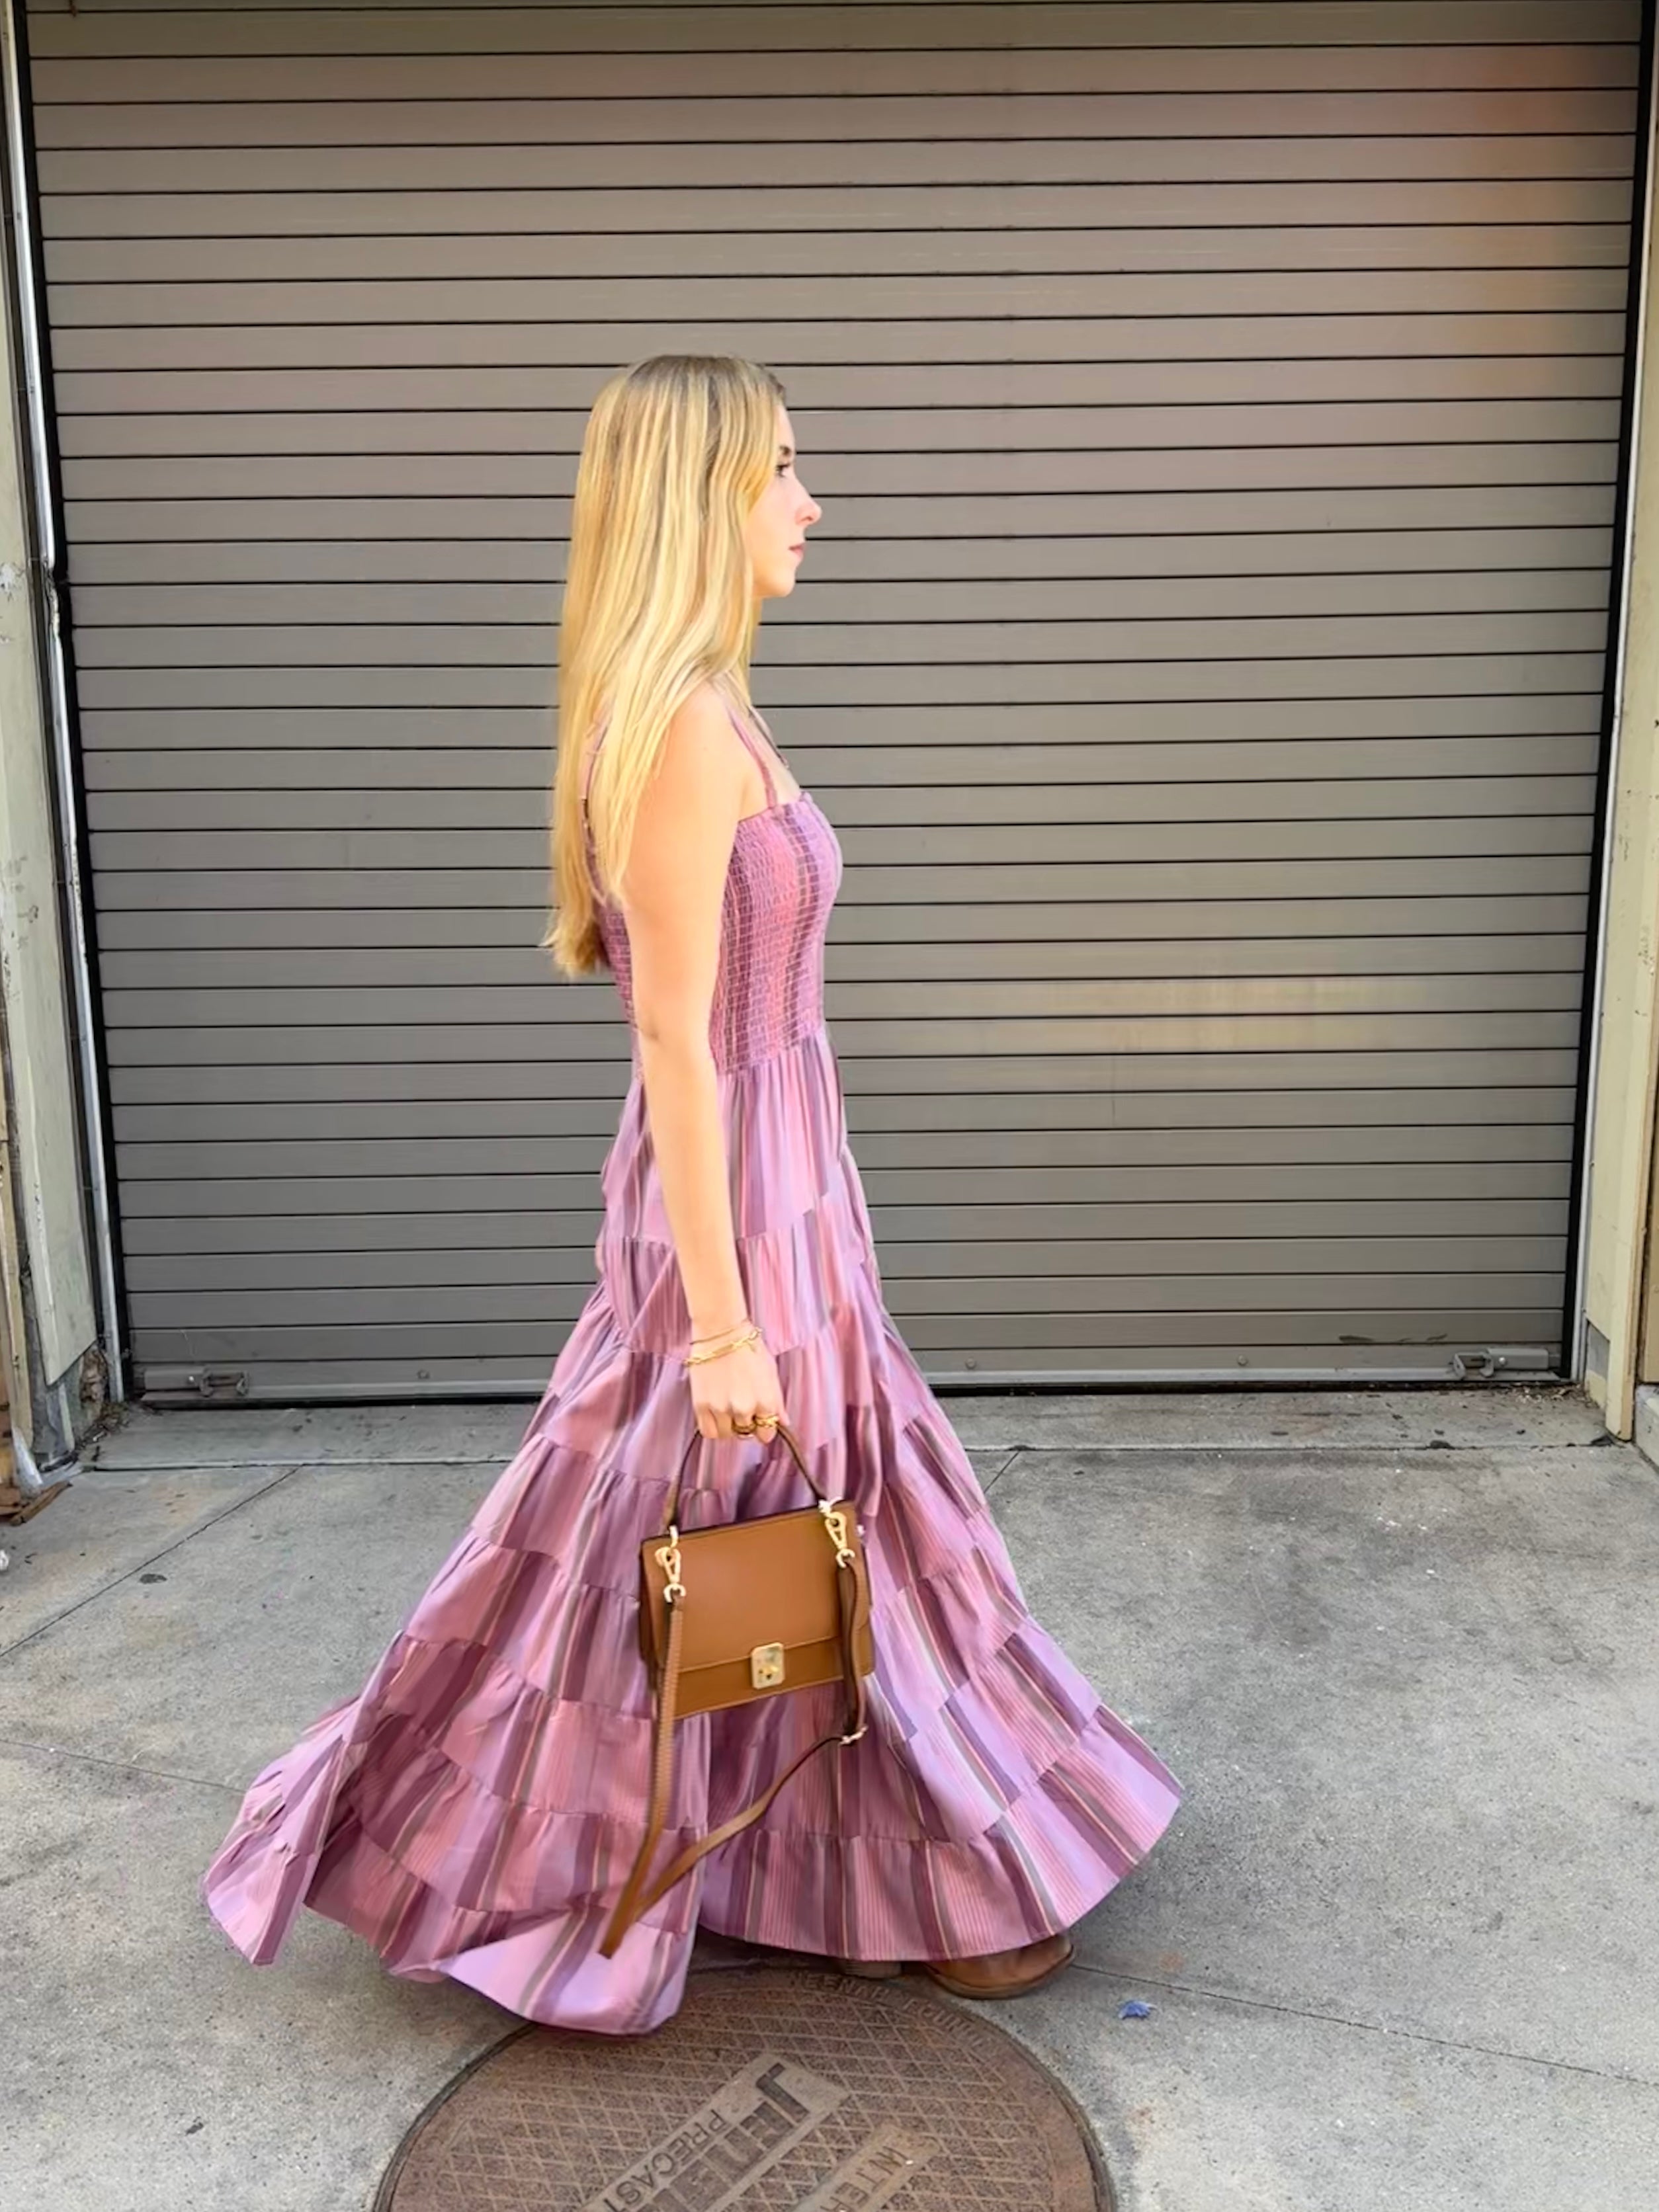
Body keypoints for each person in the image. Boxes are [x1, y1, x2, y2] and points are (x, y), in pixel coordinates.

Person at [200, 354, 1183, 2037]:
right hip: (729, 1191)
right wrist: (722, 1318)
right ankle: (550, 1850)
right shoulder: (672, 729)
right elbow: (672, 1032)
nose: (813, 500)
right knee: (687, 1534)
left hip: (791, 1171)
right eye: (783, 468)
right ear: (697, 499)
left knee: (789, 1524)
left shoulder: (718, 705)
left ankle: (852, 1857)